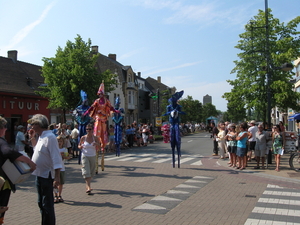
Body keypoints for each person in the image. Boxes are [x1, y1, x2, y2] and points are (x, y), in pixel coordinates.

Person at [0, 116, 36, 225]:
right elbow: (7, 151)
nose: (6, 129)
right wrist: (29, 162)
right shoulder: (1, 141)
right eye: (5, 127)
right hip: (2, 182)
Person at [28, 114, 62, 225]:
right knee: (41, 203)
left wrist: (57, 177)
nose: (31, 126)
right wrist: (32, 138)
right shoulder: (41, 136)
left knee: (46, 204)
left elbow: (56, 158)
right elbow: (37, 151)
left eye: (32, 124)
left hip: (47, 176)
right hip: (39, 174)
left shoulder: (50, 137)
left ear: (39, 124)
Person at [84, 82, 119, 172]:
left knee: (103, 134)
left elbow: (111, 108)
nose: (100, 95)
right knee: (97, 133)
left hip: (103, 120)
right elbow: (91, 108)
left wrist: (115, 110)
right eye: (99, 94)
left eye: (101, 93)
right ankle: (96, 146)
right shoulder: (96, 101)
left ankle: (102, 148)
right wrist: (86, 112)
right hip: (98, 119)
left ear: (103, 94)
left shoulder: (106, 101)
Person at [78, 123, 101, 194]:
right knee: (86, 170)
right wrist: (80, 147)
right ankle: (88, 186)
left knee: (91, 171)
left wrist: (97, 144)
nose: (88, 130)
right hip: (85, 155)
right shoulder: (83, 138)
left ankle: (88, 184)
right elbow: (79, 145)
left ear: (92, 130)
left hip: (93, 155)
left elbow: (100, 147)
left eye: (89, 129)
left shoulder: (95, 138)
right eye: (87, 129)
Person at [73, 90, 91, 165]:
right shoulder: (78, 108)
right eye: (85, 100)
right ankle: (80, 158)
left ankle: (86, 157)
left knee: (87, 139)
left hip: (86, 125)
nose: (86, 101)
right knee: (80, 140)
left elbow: (92, 115)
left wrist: (87, 118)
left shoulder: (89, 108)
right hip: (81, 125)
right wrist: (79, 117)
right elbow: (74, 115)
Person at [54, 136, 70, 203]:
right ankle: (55, 195)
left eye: (60, 141)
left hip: (62, 168)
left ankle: (60, 195)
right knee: (55, 183)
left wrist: (64, 156)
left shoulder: (64, 149)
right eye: (58, 141)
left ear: (63, 142)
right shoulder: (54, 149)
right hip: (54, 168)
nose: (59, 143)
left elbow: (68, 157)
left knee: (61, 183)